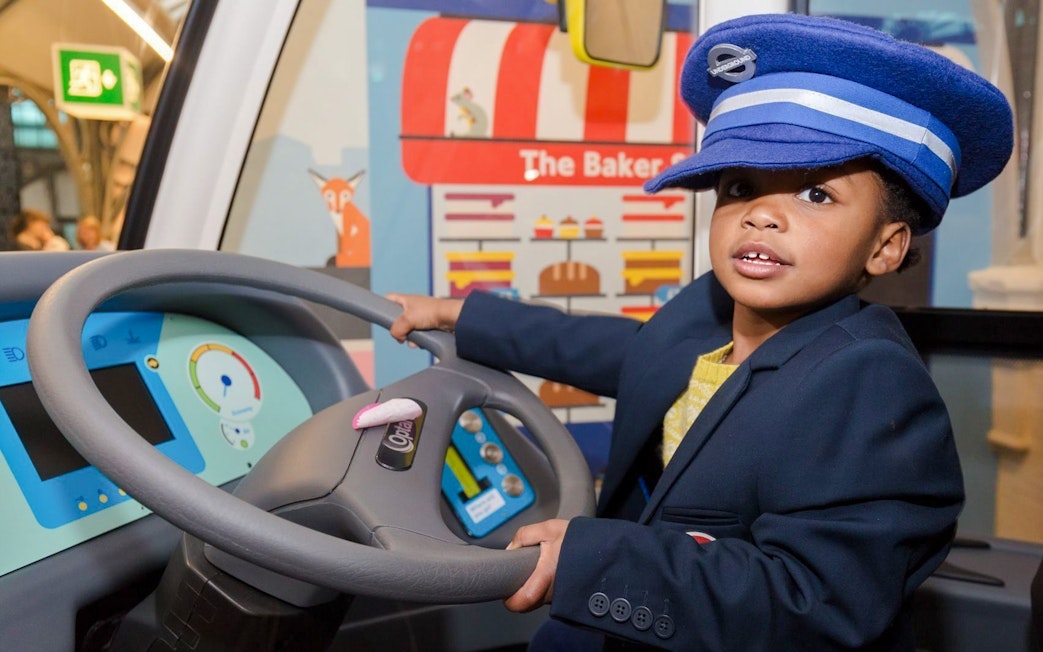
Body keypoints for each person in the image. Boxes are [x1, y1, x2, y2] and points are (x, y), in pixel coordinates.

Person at [386, 14, 1013, 650]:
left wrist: (600, 562)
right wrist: (465, 316)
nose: (763, 215)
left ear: (885, 246)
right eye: (741, 186)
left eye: (816, 195)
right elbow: (626, 352)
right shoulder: (707, 315)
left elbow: (813, 600)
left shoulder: (871, 385)